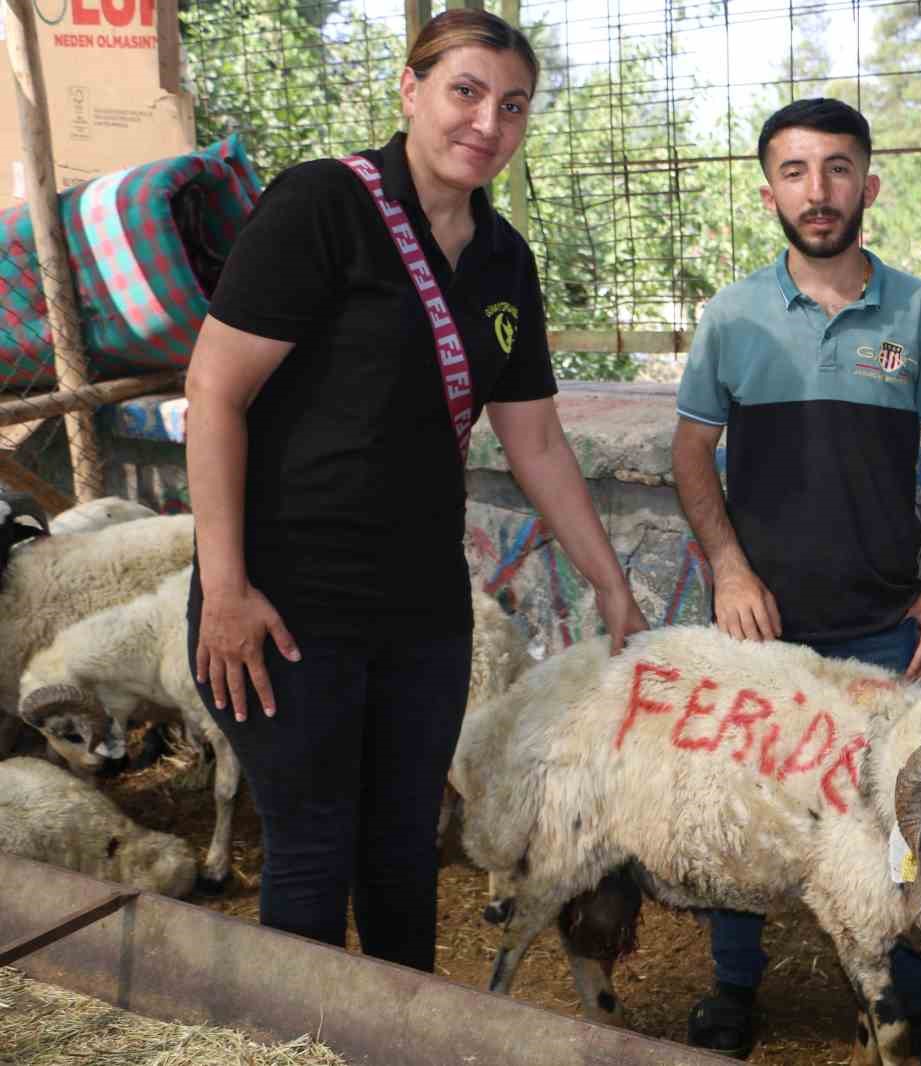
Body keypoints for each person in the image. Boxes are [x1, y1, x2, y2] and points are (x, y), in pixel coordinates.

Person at [184, 9, 647, 973]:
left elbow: (536, 440)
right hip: (289, 600)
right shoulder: (323, 205)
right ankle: (299, 1037)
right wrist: (224, 588)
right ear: (410, 89)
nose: (487, 122)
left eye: (512, 105)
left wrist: (610, 583)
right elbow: (214, 393)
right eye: (465, 92)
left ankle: (404, 1029)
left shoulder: (504, 257)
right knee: (312, 849)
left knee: (403, 850)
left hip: (423, 607)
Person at [672, 98, 921, 1063]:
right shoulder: (732, 316)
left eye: (838, 168)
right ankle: (734, 987)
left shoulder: (919, 312)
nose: (819, 191)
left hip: (887, 623)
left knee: (908, 815)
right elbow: (690, 452)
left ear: (868, 185)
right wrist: (729, 568)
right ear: (769, 191)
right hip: (760, 632)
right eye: (796, 171)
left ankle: (911, 1003)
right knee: (739, 808)